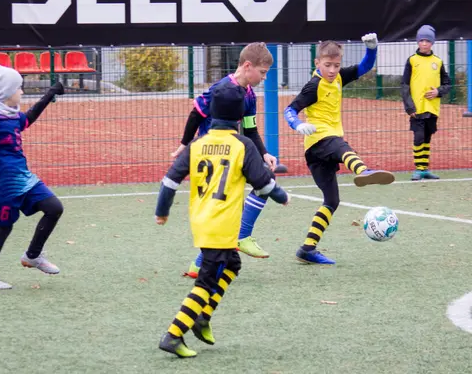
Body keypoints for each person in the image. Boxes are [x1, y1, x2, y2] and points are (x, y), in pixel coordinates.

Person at [156, 81, 290, 358]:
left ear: (211, 114)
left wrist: (162, 210)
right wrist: (281, 195)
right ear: (240, 117)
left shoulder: (198, 144)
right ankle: (173, 334)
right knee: (205, 282)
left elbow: (169, 181)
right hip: (222, 225)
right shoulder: (242, 145)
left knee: (232, 263)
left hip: (202, 221)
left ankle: (203, 317)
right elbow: (263, 184)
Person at [171, 42, 284, 278]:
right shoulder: (220, 89)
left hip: (232, 154)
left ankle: (199, 265)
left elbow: (250, 129)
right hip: (211, 156)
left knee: (251, 192)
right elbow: (196, 114)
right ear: (247, 66)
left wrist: (264, 153)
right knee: (227, 210)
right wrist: (184, 144)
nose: (264, 78)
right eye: (262, 73)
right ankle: (240, 237)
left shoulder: (250, 95)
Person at [283, 33, 395, 265]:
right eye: (327, 65)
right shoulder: (313, 86)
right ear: (317, 63)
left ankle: (307, 249)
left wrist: (372, 49)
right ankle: (362, 171)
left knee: (331, 201)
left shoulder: (339, 78)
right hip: (319, 141)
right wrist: (298, 124)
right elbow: (289, 110)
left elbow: (364, 67)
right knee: (340, 144)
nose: (333, 70)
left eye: (336, 65)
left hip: (319, 154)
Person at [0, 65, 65, 290]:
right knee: (4, 228)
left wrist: (49, 95)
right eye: (19, 88)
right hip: (4, 185)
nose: (22, 92)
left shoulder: (11, 114)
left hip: (24, 178)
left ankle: (32, 256)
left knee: (54, 207)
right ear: (7, 92)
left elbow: (27, 119)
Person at [401, 25, 451, 181]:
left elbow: (447, 84)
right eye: (421, 40)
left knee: (428, 137)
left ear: (432, 43)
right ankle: (418, 168)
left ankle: (425, 169)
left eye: (427, 41)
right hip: (417, 108)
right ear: (417, 42)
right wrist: (409, 107)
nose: (424, 44)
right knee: (418, 137)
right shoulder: (412, 60)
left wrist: (438, 91)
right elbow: (405, 85)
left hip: (432, 108)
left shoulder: (438, 62)